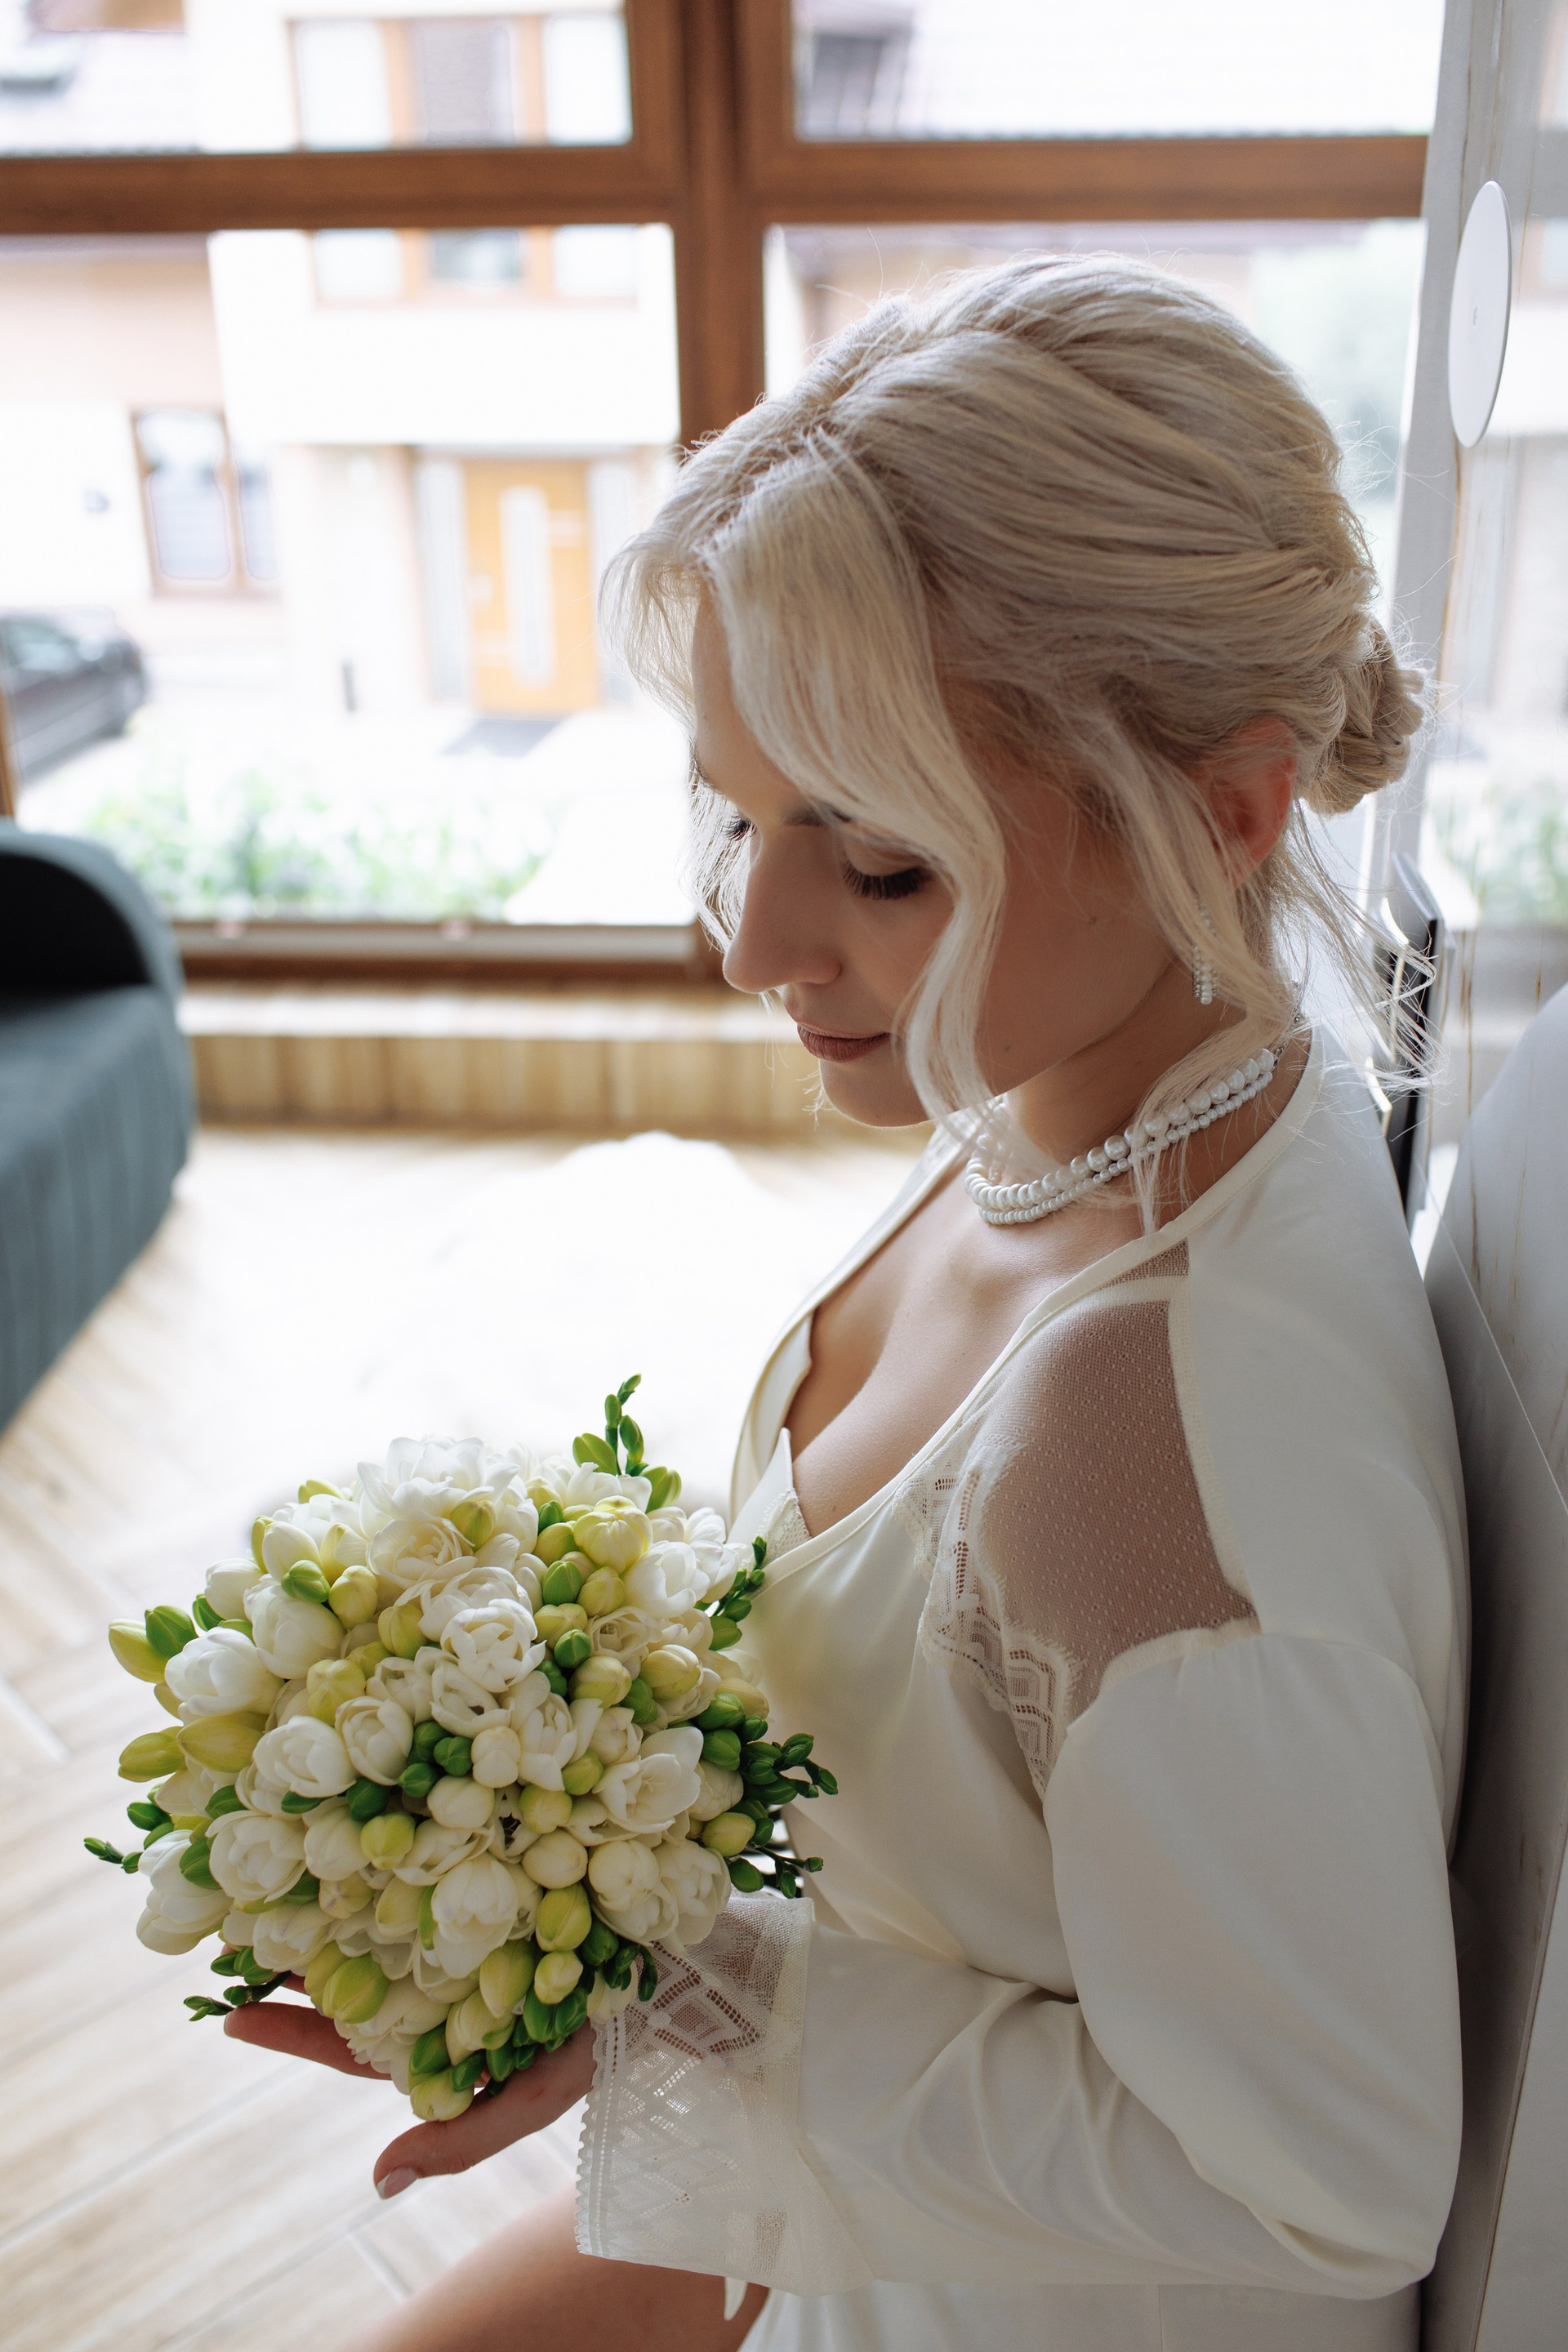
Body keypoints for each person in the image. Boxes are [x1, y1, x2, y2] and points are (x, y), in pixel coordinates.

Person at [233, 259, 1467, 2352]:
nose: (756, 944)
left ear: (1226, 808)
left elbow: (1327, 2179)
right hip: (857, 2203)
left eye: (880, 859)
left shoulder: (1142, 1423)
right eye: (742, 815)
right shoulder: (1098, 1104)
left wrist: (676, 2000)